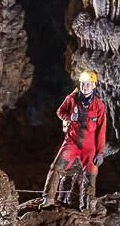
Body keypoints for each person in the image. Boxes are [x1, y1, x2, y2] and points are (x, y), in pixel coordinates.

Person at [46, 70, 108, 209]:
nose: (85, 86)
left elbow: (101, 130)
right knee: (56, 168)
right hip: (71, 142)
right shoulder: (71, 99)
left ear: (93, 86)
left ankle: (88, 206)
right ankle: (48, 199)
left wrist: (100, 152)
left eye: (88, 84)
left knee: (90, 176)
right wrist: (69, 118)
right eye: (82, 83)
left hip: (90, 146)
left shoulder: (99, 105)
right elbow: (60, 112)